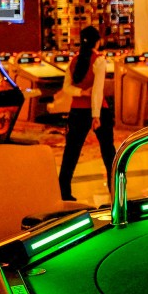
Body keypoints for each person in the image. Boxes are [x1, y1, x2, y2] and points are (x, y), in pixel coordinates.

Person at [59, 25, 116, 201]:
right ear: (97, 41)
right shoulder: (99, 60)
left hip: (76, 111)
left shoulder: (74, 60)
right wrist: (96, 116)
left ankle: (64, 192)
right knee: (108, 152)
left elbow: (66, 88)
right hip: (98, 112)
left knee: (71, 152)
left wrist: (80, 93)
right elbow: (97, 91)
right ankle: (115, 189)